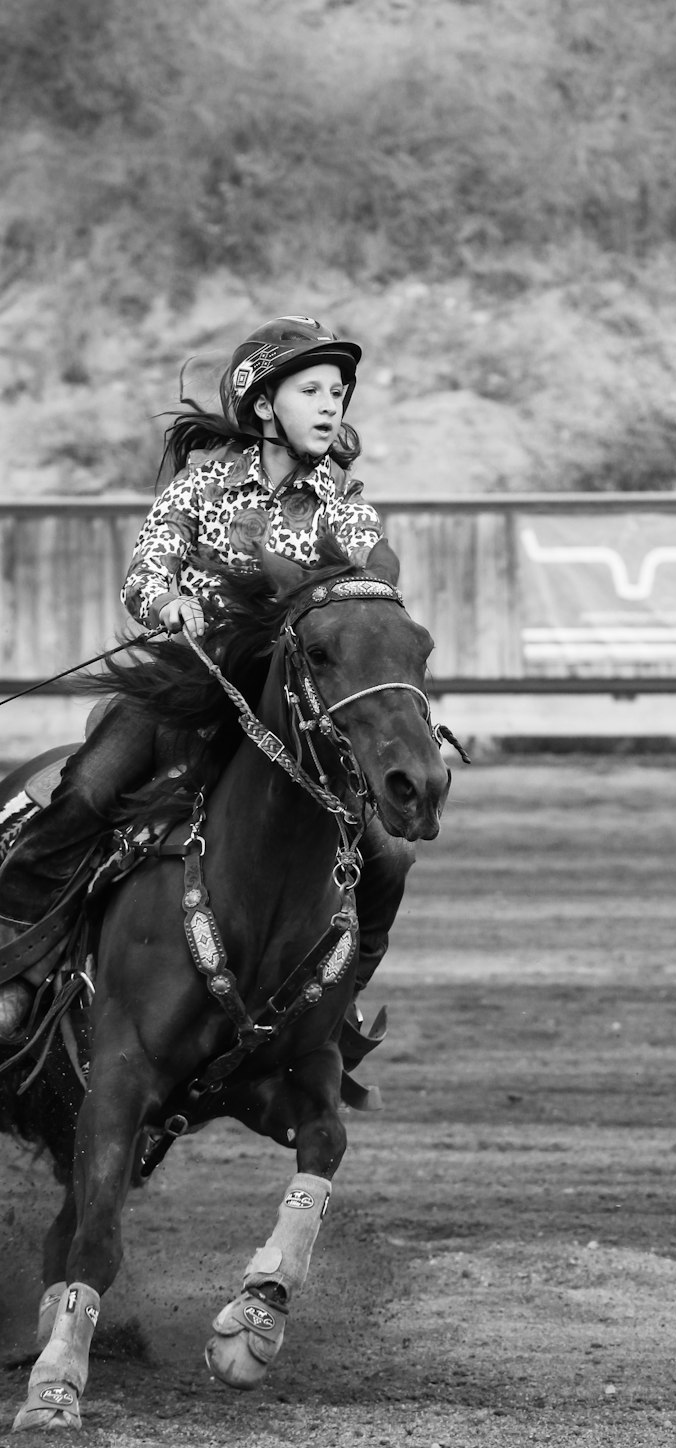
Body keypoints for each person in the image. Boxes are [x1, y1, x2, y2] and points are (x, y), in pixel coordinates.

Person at [0, 314, 414, 1035]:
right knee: (89, 791)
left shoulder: (342, 505)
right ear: (262, 405)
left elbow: (369, 570)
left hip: (289, 701)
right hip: (188, 686)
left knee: (388, 855)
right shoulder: (201, 487)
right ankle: (20, 968)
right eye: (311, 389)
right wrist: (166, 600)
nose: (330, 405)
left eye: (338, 393)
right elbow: (144, 571)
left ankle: (335, 1004)